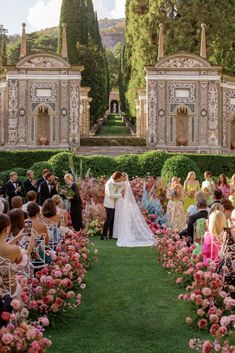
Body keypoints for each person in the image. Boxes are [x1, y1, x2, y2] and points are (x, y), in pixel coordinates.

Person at [114, 173, 154, 247]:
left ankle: (125, 234)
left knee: (125, 219)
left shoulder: (123, 183)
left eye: (122, 177)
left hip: (123, 202)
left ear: (124, 178)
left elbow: (119, 189)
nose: (120, 178)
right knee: (125, 219)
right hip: (123, 203)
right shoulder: (125, 183)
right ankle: (124, 233)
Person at [0, 214, 33, 298]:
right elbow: (24, 264)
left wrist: (18, 237)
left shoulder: (11, 249)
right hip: (9, 290)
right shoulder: (14, 250)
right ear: (7, 228)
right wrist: (31, 245)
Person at [101, 171, 123, 240]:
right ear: (117, 177)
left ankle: (111, 235)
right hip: (109, 204)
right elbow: (111, 195)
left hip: (112, 204)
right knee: (108, 220)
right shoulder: (110, 183)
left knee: (112, 220)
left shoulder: (113, 182)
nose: (120, 179)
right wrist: (120, 195)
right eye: (120, 178)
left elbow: (118, 184)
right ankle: (103, 235)